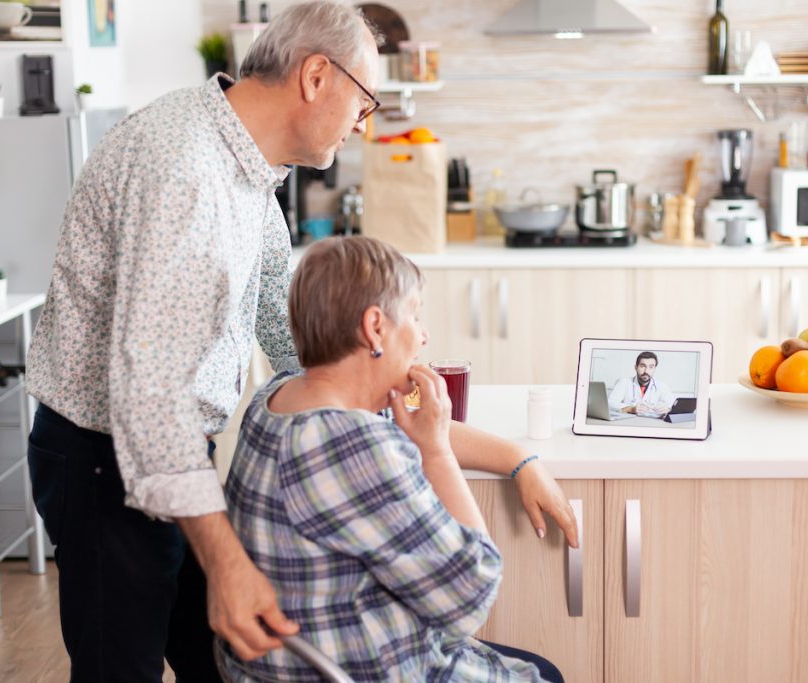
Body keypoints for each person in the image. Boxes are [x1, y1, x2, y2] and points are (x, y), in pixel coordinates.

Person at [24, 3, 577, 680]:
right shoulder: (188, 173)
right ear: (317, 76)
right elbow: (151, 402)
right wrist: (226, 565)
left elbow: (314, 361)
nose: (365, 123)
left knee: (220, 661)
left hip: (171, 456)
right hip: (104, 456)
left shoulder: (251, 173)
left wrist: (508, 452)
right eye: (365, 101)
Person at [217, 236, 563, 682]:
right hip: (371, 666)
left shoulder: (278, 398)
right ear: (375, 327)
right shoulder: (355, 447)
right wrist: (435, 452)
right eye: (415, 316)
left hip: (284, 665)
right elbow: (468, 599)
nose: (423, 336)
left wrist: (518, 458)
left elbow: (391, 419)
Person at [608, 351, 676, 417]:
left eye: (651, 367)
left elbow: (673, 405)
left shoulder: (661, 385)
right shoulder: (624, 382)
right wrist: (631, 409)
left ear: (654, 368)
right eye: (642, 366)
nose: (646, 371)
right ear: (636, 367)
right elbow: (609, 403)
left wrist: (669, 409)